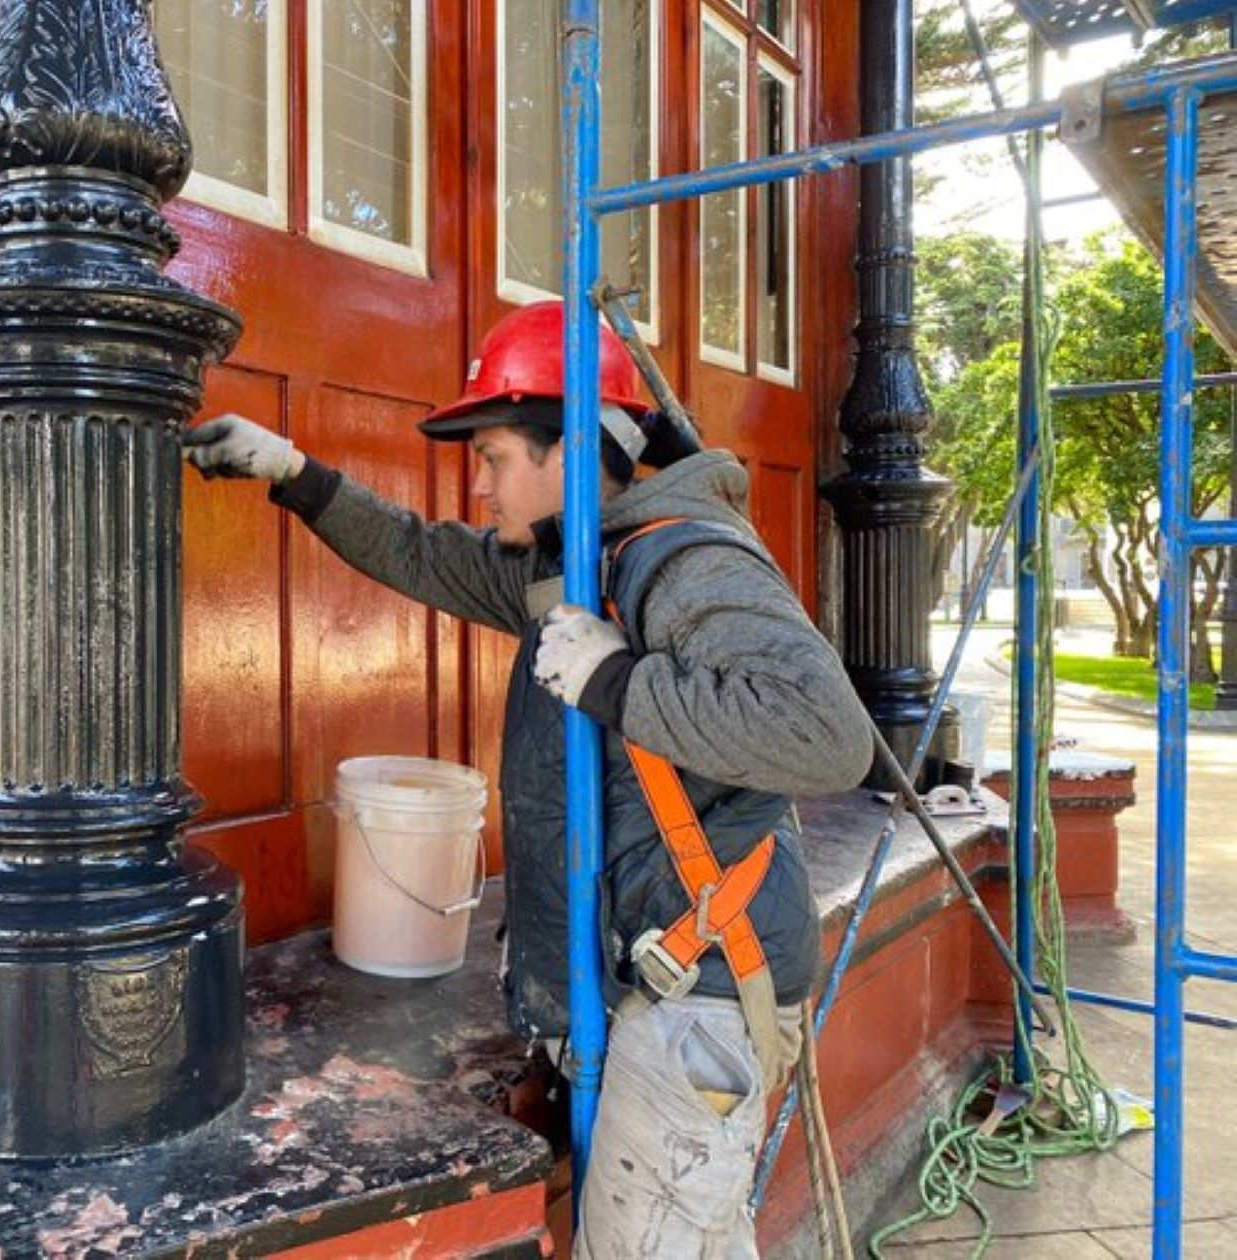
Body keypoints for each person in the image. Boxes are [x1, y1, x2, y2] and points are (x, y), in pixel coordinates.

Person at [183, 301, 874, 1258]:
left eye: (497, 456)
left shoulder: (685, 561)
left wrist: (617, 681)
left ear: (574, 451)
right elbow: (425, 556)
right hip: (637, 988)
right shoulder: (568, 568)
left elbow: (827, 736)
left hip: (695, 1002)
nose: (480, 485)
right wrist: (295, 476)